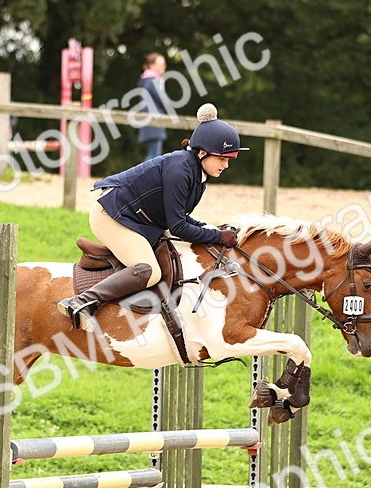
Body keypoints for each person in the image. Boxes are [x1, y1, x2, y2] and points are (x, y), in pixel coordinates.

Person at [57, 103, 248, 331]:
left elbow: (181, 219)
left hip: (137, 219)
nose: (226, 165)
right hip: (110, 216)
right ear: (203, 152)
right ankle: (81, 302)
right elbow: (177, 227)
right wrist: (217, 235)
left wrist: (214, 229)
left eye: (230, 159)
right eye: (222, 158)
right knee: (149, 270)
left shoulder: (198, 174)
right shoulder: (180, 171)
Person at [136, 53, 168, 162]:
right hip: (154, 123)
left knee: (153, 154)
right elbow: (164, 100)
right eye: (161, 64)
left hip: (151, 122)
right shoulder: (152, 81)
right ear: (151, 65)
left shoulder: (148, 80)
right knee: (154, 156)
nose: (163, 67)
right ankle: (141, 177)